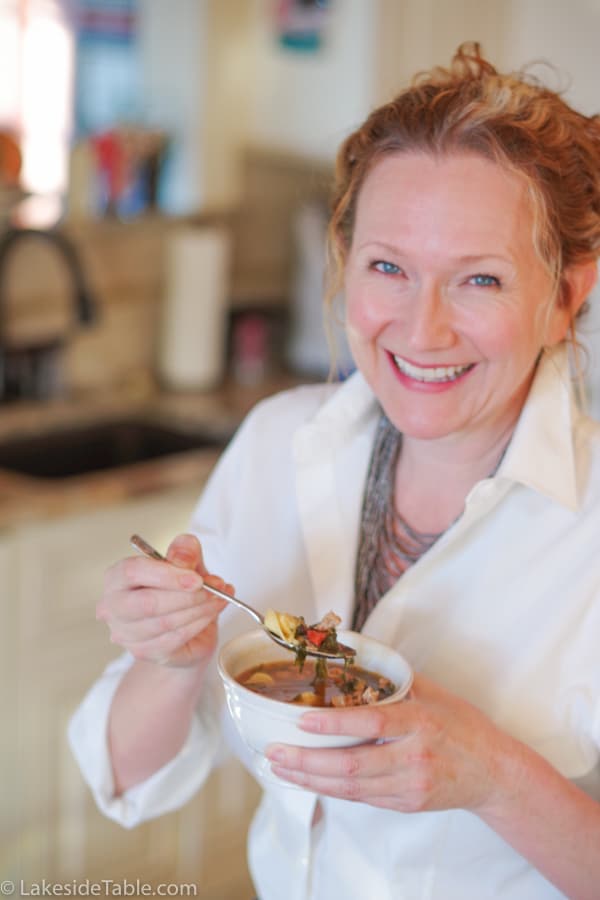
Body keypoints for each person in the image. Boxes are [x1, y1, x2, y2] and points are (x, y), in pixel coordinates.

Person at [69, 43, 600, 900]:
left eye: (480, 280)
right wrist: (169, 661)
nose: (421, 330)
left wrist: (499, 777)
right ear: (345, 260)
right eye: (388, 267)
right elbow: (126, 776)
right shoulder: (279, 445)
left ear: (567, 294)